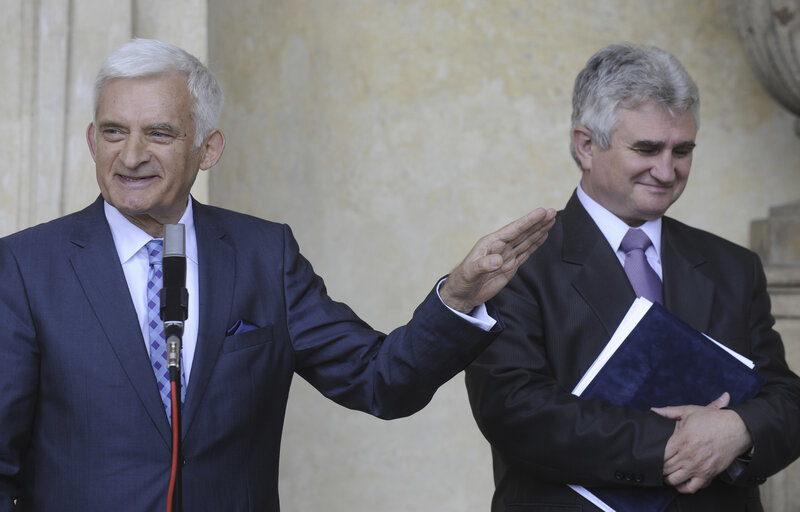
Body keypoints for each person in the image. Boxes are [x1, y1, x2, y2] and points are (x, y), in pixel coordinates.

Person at [0, 38, 556, 511]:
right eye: (115, 132)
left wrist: (455, 301)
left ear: (207, 148)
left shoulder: (264, 253)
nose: (132, 155)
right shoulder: (25, 267)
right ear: (93, 141)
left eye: (160, 133)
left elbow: (380, 380)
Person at [465, 42, 800, 511]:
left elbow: (785, 399)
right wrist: (677, 443)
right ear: (586, 145)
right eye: (647, 148)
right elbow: (514, 409)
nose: (667, 170)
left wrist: (740, 430)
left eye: (682, 150)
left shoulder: (733, 266)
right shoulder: (516, 262)